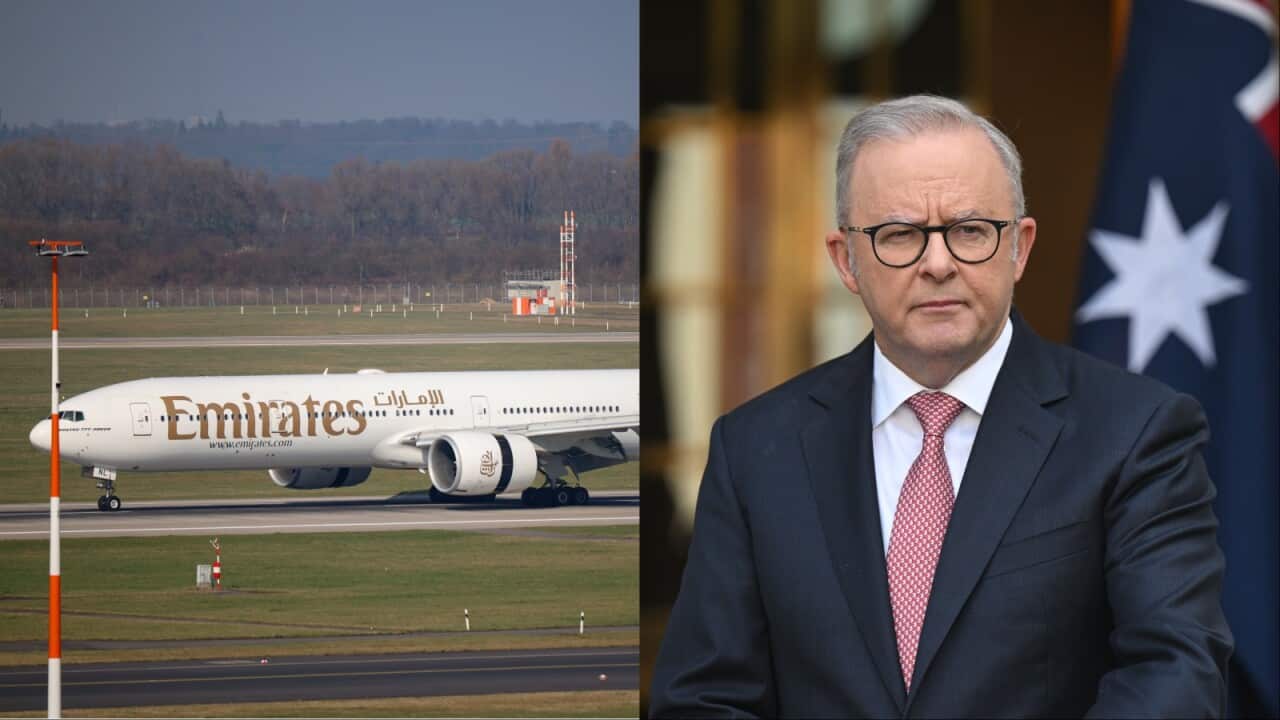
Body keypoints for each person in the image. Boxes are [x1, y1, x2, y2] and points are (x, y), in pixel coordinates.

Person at [649, 95, 1233, 718]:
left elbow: (1175, 672)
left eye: (970, 231)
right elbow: (705, 698)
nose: (938, 264)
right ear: (846, 260)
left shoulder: (1135, 432)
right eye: (899, 235)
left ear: (1020, 248)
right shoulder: (755, 450)